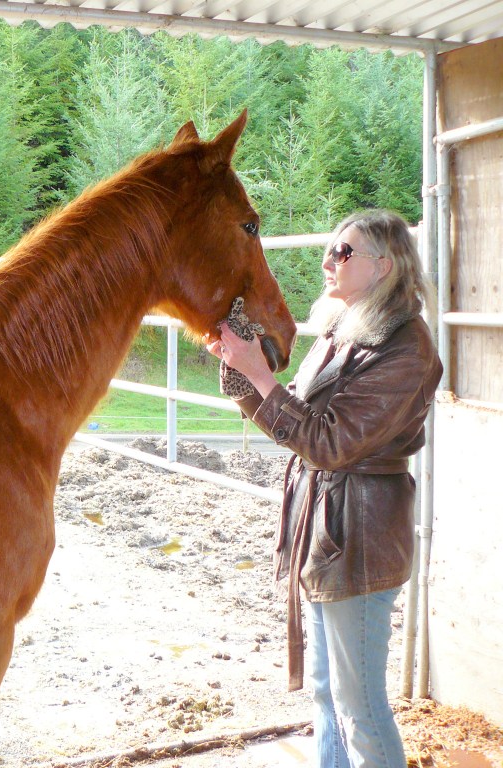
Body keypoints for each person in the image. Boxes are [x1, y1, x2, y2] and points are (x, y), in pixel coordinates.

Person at [207, 210, 443, 768]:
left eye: (343, 252)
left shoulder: (406, 348)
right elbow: (297, 414)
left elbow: (330, 444)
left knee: (359, 705)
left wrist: (260, 379)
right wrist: (242, 369)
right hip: (326, 531)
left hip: (359, 538)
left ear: (383, 266)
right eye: (332, 249)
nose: (327, 259)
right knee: (326, 693)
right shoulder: (347, 327)